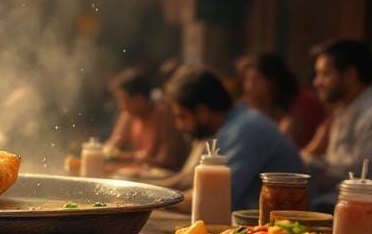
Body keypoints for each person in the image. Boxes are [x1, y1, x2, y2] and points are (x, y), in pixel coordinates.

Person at [166, 67, 304, 212]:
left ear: (202, 111)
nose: (179, 125)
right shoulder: (231, 126)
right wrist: (151, 188)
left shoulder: (245, 129)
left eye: (181, 117)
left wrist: (155, 201)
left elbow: (212, 199)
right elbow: (189, 179)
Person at [306, 39, 372, 200]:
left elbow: (359, 176)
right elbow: (333, 163)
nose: (317, 82)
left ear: (350, 74)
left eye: (325, 74)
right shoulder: (343, 108)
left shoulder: (369, 113)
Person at [105, 68, 188, 171]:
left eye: (125, 101)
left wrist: (133, 158)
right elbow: (111, 148)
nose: (123, 107)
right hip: (139, 175)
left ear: (139, 99)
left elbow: (167, 161)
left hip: (163, 179)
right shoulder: (128, 115)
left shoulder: (164, 115)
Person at [239, 54, 325, 149]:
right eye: (247, 80)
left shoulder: (302, 102)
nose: (249, 86)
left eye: (255, 80)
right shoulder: (255, 102)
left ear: (271, 81)